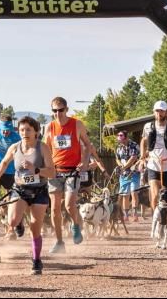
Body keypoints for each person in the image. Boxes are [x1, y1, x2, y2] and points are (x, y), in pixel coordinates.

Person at [0, 116, 56, 275]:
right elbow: (4, 163)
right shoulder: (14, 147)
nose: (25, 132)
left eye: (28, 130)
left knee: (35, 228)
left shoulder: (43, 148)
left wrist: (36, 169)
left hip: (39, 191)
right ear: (18, 132)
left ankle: (36, 260)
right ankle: (18, 223)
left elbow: (52, 172)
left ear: (36, 132)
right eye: (22, 130)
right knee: (11, 221)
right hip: (20, 189)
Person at [44, 97, 103, 253]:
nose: (58, 114)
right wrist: (44, 167)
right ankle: (59, 242)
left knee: (69, 205)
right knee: (55, 209)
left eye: (60, 110)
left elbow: (88, 145)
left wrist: (84, 162)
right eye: (54, 111)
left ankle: (76, 225)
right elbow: (46, 150)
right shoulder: (49, 127)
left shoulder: (76, 124)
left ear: (66, 109)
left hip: (73, 171)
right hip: (55, 171)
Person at [115, 130, 140, 222]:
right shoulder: (119, 147)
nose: (119, 138)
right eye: (118, 136)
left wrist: (124, 167)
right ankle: (126, 215)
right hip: (123, 174)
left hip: (134, 172)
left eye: (121, 136)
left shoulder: (133, 145)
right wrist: (121, 166)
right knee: (125, 194)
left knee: (134, 192)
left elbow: (133, 158)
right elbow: (117, 158)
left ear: (126, 137)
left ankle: (135, 213)